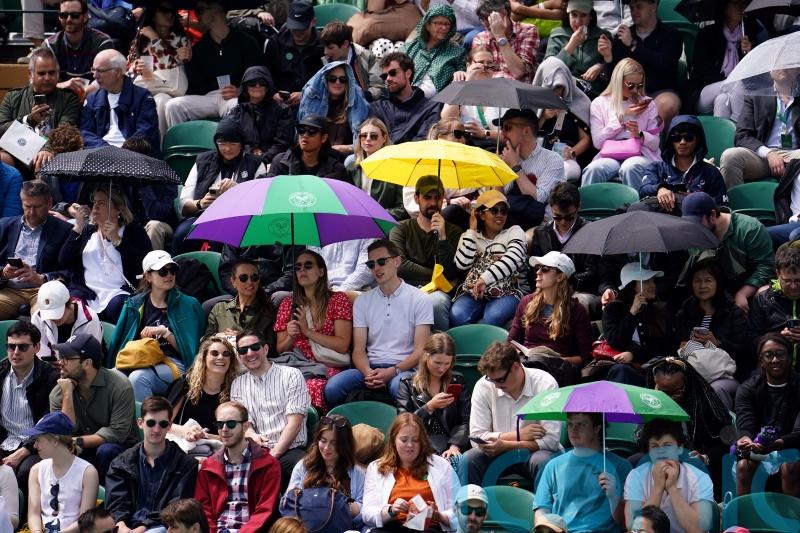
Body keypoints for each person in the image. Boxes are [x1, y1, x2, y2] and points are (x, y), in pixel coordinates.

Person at [323, 239, 433, 407]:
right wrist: (368, 372)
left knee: (401, 386)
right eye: (371, 264)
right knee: (333, 388)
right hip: (370, 368)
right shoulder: (363, 301)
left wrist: (392, 371)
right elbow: (358, 350)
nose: (376, 268)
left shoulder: (420, 298)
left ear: (397, 261)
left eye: (382, 261)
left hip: (403, 369)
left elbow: (421, 351)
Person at [460, 341, 561, 487]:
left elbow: (551, 442)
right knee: (468, 460)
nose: (496, 385)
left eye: (500, 379)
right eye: (491, 379)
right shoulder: (483, 385)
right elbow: (476, 438)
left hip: (533, 454)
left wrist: (507, 445)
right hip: (496, 453)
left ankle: (544, 509)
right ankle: (470, 508)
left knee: (544, 461)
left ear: (516, 367)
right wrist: (518, 435)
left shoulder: (545, 383)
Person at [109, 250, 204, 401]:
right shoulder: (134, 304)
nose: (169, 275)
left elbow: (191, 353)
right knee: (113, 376)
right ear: (148, 276)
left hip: (174, 362)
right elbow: (119, 342)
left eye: (173, 270)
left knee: (138, 378)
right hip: (140, 358)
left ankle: (148, 423)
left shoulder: (189, 305)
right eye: (162, 271)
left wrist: (166, 333)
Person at [49, 333, 140, 482]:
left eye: (67, 358)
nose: (60, 362)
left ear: (87, 363)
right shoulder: (59, 392)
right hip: (79, 449)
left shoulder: (120, 386)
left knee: (106, 450)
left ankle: (107, 500)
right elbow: (62, 434)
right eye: (61, 357)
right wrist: (67, 394)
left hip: (120, 449)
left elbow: (117, 433)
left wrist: (77, 441)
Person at [59, 185, 152, 323]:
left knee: (118, 305)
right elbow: (64, 260)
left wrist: (117, 240)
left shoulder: (133, 231)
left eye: (101, 203)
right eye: (94, 202)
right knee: (68, 308)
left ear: (118, 208)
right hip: (87, 293)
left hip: (117, 293)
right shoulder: (87, 230)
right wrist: (78, 226)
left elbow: (144, 265)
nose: (95, 207)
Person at [105, 396, 199, 533]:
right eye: (150, 423)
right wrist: (121, 525)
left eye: (163, 424)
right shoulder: (120, 463)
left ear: (170, 426)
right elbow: (116, 503)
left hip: (164, 527)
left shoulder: (185, 464)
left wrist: (142, 528)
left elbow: (176, 507)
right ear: (140, 423)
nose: (156, 429)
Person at [274, 250, 353, 412]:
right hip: (297, 364)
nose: (302, 270)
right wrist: (291, 336)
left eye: (308, 266)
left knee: (311, 385)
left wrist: (308, 332)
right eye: (298, 267)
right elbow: (281, 349)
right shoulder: (288, 304)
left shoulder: (338, 300)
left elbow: (343, 345)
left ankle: (315, 429)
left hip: (327, 364)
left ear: (321, 271)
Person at [232, 330, 311, 489]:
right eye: (243, 350)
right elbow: (244, 424)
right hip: (256, 451)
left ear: (266, 349)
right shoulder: (237, 384)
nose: (249, 353)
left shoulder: (291, 375)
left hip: (289, 450)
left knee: (307, 470)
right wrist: (252, 435)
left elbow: (295, 423)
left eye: (255, 347)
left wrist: (274, 454)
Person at [164, 0, 261, 128]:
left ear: (216, 10)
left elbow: (257, 75)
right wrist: (187, 62)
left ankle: (238, 147)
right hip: (209, 97)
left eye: (200, 11)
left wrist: (241, 91)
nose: (196, 16)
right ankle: (184, 146)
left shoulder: (246, 42)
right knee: (173, 106)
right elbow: (196, 88)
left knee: (237, 105)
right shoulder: (198, 48)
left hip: (236, 96)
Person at [174, 120, 265, 255]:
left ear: (242, 143)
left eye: (233, 143)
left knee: (220, 237)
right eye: (222, 143)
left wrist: (239, 189)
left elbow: (262, 203)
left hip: (239, 219)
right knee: (181, 235)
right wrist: (200, 203)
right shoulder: (203, 161)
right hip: (205, 216)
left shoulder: (256, 163)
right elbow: (183, 204)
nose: (227, 149)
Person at [645, 356, 734, 494]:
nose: (669, 398)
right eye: (663, 393)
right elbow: (643, 445)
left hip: (701, 468)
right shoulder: (651, 407)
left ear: (687, 385)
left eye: (676, 392)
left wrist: (705, 457)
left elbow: (727, 446)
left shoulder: (708, 407)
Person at [534, 412, 631, 533]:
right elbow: (542, 512)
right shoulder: (553, 465)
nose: (574, 430)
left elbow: (626, 523)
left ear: (597, 428)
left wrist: (613, 496)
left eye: (581, 424)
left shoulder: (621, 466)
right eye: (570, 424)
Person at [362, 413, 459, 532]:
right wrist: (391, 510)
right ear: (393, 440)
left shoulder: (441, 465)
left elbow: (459, 510)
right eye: (404, 440)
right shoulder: (376, 468)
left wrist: (437, 515)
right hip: (392, 527)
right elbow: (367, 513)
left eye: (415, 440)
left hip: (429, 528)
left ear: (422, 442)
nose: (409, 445)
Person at [389, 175, 463, 332]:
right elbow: (399, 265)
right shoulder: (400, 229)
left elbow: (452, 272)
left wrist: (442, 238)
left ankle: (443, 350)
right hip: (406, 287)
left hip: (438, 293)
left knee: (435, 303)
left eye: (437, 197)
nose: (432, 203)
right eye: (427, 197)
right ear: (416, 198)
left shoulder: (454, 232)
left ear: (443, 198)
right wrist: (437, 277)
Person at [681, 191, 774, 314]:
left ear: (712, 216)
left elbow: (766, 267)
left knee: (763, 293)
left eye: (697, 223)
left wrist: (743, 293)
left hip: (748, 288)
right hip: (717, 292)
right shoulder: (695, 237)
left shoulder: (750, 229)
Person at [195, 401, 281, 532]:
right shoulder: (208, 466)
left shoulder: (268, 464)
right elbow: (203, 508)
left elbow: (265, 510)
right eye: (219, 424)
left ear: (245, 426)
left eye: (231, 424)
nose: (224, 429)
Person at [508, 251, 593, 382]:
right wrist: (520, 355)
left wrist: (554, 360)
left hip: (559, 370)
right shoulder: (526, 302)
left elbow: (585, 357)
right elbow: (511, 342)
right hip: (527, 364)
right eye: (538, 268)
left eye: (545, 269)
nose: (538, 272)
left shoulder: (577, 310)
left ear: (560, 277)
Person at [734, 333, 800, 497]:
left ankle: (792, 521)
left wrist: (777, 444)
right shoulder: (747, 389)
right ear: (761, 360)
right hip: (759, 449)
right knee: (744, 466)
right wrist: (746, 440)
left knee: (790, 466)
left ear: (790, 357)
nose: (775, 360)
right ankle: (744, 519)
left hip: (793, 447)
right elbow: (745, 424)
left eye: (780, 354)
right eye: (768, 355)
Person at [674, 260, 746, 409]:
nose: (702, 286)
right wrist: (682, 346)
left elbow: (744, 351)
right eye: (697, 281)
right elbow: (672, 346)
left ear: (718, 282)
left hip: (724, 375)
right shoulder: (684, 312)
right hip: (691, 374)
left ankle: (722, 432)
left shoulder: (733, 312)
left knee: (716, 391)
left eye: (708, 280)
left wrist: (717, 342)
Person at [581, 58, 661, 191]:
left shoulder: (648, 104)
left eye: (639, 85)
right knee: (593, 169)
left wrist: (639, 134)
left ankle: (638, 209)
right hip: (610, 154)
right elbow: (597, 142)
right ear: (618, 81)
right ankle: (587, 210)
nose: (635, 90)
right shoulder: (599, 103)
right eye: (631, 85)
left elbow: (655, 143)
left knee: (631, 167)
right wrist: (621, 118)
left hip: (641, 154)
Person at [601, 0, 682, 127]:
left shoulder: (671, 35)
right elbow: (612, 78)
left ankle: (660, 145)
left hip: (659, 91)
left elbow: (665, 66)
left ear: (653, 6)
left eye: (639, 7)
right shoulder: (622, 36)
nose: (634, 12)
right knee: (602, 103)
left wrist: (633, 45)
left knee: (668, 105)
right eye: (632, 8)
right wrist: (608, 57)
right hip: (629, 93)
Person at [451, 190, 526, 328]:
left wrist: (484, 279)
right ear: (481, 214)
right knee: (458, 315)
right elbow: (462, 264)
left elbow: (515, 258)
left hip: (507, 292)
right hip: (473, 293)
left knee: (493, 317)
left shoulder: (514, 231)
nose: (500, 215)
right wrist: (472, 230)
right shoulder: (469, 236)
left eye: (503, 211)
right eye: (494, 210)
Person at [624, 420, 715, 533]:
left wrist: (672, 489)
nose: (661, 451)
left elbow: (699, 529)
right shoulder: (636, 476)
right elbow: (631, 526)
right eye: (655, 446)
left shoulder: (700, 478)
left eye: (667, 445)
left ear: (680, 448)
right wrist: (658, 488)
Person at [0, 321, 59, 492]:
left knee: (26, 472)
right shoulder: (1, 372)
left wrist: (24, 451)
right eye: (11, 347)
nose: (15, 353)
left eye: (23, 347)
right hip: (4, 439)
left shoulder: (50, 378)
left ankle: (24, 515)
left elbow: (50, 422)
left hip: (36, 445)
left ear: (37, 347)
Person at [0, 180, 72, 320]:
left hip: (44, 290)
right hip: (10, 290)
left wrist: (42, 278)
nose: (31, 212)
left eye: (37, 207)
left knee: (44, 318)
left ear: (49, 203)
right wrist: (3, 273)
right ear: (22, 203)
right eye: (27, 206)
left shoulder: (64, 230)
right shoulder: (4, 226)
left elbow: (72, 271)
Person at [0, 48, 81, 171]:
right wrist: (30, 120)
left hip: (53, 154)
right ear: (30, 74)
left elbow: (65, 128)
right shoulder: (13, 97)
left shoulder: (69, 99)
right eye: (42, 73)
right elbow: (1, 126)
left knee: (43, 160)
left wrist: (47, 149)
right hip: (17, 152)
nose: (47, 78)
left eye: (52, 73)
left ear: (58, 74)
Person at [719, 68, 800, 190]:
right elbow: (742, 136)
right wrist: (769, 153)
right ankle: (738, 205)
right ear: (770, 71)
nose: (782, 68)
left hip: (795, 155)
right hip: (763, 157)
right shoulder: (756, 96)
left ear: (797, 69)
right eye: (778, 65)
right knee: (730, 157)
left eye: (787, 64)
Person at [396, 333, 471, 457]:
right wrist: (429, 407)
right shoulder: (407, 384)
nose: (442, 369)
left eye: (447, 364)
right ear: (426, 356)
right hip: (418, 443)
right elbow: (403, 424)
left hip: (450, 443)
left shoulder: (458, 381)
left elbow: (465, 420)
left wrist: (455, 446)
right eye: (437, 363)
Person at [530, 182, 600, 317]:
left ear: (578, 207)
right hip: (547, 288)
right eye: (557, 216)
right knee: (529, 303)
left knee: (571, 305)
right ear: (551, 209)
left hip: (580, 290)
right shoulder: (541, 232)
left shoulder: (591, 232)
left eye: (569, 217)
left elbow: (592, 271)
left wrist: (565, 283)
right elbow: (534, 268)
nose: (563, 222)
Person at [287, 414, 365, 530]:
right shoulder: (303, 467)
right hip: (306, 528)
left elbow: (363, 511)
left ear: (344, 444)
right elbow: (288, 503)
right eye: (323, 441)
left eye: (334, 443)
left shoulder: (357, 473)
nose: (327, 447)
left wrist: (340, 505)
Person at [602, 263, 675, 385]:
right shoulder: (613, 309)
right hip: (625, 369)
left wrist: (634, 353)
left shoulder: (659, 310)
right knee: (621, 371)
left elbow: (666, 346)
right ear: (631, 286)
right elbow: (615, 341)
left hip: (654, 369)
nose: (652, 285)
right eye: (646, 281)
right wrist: (632, 313)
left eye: (653, 281)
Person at [690, 0, 766, 118]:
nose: (741, 7)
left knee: (722, 100)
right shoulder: (708, 34)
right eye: (736, 3)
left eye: (744, 3)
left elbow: (754, 74)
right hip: (705, 92)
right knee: (736, 83)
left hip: (733, 94)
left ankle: (723, 135)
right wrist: (727, 80)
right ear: (724, 8)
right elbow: (702, 69)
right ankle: (739, 125)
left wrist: (748, 53)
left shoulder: (749, 37)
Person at [25, 412, 99, 533]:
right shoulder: (36, 470)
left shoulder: (88, 473)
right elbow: (33, 514)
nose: (34, 445)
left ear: (55, 441)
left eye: (38, 440)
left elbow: (84, 522)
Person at [165, 336, 238, 456]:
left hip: (216, 452)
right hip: (181, 446)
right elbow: (163, 423)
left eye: (226, 354)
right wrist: (186, 431)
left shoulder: (234, 390)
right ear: (204, 358)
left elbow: (234, 436)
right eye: (214, 353)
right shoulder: (185, 384)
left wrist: (203, 435)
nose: (221, 357)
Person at [496, 108, 566, 230]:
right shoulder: (505, 158)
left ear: (526, 131)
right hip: (505, 222)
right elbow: (497, 200)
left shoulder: (552, 159)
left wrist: (515, 166)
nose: (502, 133)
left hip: (538, 227)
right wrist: (498, 169)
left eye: (507, 127)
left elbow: (538, 198)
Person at [80, 49, 159, 153]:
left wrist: (122, 153)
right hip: (100, 154)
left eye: (100, 71)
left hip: (133, 157)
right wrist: (108, 150)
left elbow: (146, 132)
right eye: (93, 70)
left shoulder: (143, 97)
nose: (95, 75)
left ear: (117, 72)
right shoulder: (92, 99)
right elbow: (85, 132)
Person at [638, 116, 727, 208]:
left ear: (698, 140)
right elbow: (643, 190)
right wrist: (660, 189)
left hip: (696, 220)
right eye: (676, 138)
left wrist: (700, 200)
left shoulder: (711, 173)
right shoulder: (656, 168)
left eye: (688, 137)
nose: (682, 142)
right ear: (670, 141)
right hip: (661, 220)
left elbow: (723, 207)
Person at [532, 57, 595, 181]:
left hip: (566, 158)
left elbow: (586, 139)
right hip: (538, 153)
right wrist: (543, 117)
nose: (556, 94)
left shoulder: (579, 103)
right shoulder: (533, 102)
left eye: (559, 88)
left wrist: (572, 152)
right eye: (551, 89)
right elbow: (526, 135)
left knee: (567, 171)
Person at [368, 52, 443, 144]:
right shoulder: (377, 108)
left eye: (393, 73)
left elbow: (423, 142)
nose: (388, 79)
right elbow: (373, 141)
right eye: (384, 76)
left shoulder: (431, 108)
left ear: (408, 73)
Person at [297, 61, 369, 155]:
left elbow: (366, 142)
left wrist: (346, 148)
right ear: (325, 80)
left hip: (346, 158)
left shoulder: (358, 103)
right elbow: (302, 138)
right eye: (332, 79)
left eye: (343, 79)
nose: (337, 82)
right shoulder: (312, 101)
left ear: (348, 83)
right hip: (316, 156)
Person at [227, 66, 295, 164]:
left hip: (274, 162)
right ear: (246, 87)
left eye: (262, 83)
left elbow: (282, 143)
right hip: (244, 161)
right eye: (252, 83)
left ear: (268, 86)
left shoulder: (283, 111)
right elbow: (231, 139)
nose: (257, 86)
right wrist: (250, 155)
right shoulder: (236, 112)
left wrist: (263, 158)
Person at [748, 243, 800, 370]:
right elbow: (751, 342)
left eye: (798, 281)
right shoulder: (763, 300)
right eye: (787, 281)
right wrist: (777, 339)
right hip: (771, 371)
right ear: (777, 274)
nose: (793, 287)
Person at [263, 0, 324, 109]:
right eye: (294, 27)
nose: (297, 32)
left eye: (302, 27)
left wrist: (306, 95)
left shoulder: (324, 45)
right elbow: (265, 76)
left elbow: (331, 81)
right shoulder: (274, 43)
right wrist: (273, 94)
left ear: (313, 22)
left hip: (313, 104)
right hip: (279, 106)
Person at [544, 0, 611, 98]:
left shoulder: (603, 36)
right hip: (563, 93)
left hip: (594, 95)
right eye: (574, 15)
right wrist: (571, 45)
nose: (578, 21)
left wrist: (601, 66)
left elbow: (616, 72)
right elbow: (548, 72)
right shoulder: (557, 35)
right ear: (568, 15)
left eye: (583, 15)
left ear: (591, 16)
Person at [206, 259, 277, 349]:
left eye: (254, 277)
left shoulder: (268, 311)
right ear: (233, 282)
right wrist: (221, 336)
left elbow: (272, 348)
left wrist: (243, 337)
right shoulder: (219, 308)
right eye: (243, 278)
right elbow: (206, 341)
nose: (250, 282)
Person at [46, 0, 114, 93]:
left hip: (95, 99)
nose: (69, 19)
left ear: (85, 17)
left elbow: (109, 77)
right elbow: (39, 80)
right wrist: (62, 85)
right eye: (64, 15)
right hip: (60, 98)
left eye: (75, 15)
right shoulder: (50, 45)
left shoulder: (102, 42)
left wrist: (83, 92)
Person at [347, 118, 407, 221]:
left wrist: (380, 216)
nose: (368, 139)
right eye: (364, 136)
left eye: (373, 136)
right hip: (356, 221)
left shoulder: (396, 169)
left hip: (384, 224)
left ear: (384, 138)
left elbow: (402, 208)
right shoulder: (352, 168)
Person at [440, 47, 503, 146]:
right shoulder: (459, 84)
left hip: (494, 149)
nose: (485, 66)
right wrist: (467, 82)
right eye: (480, 62)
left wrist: (484, 134)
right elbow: (447, 118)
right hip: (465, 147)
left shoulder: (503, 92)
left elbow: (513, 135)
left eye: (489, 63)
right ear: (469, 65)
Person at [31, 280, 103, 361]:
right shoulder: (38, 317)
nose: (53, 319)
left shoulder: (90, 319)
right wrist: (49, 365)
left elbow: (91, 357)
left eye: (57, 313)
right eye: (48, 314)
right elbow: (40, 352)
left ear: (69, 303)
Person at [405, 4, 465, 97]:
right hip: (405, 97)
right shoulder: (410, 48)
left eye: (447, 24)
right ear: (427, 25)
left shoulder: (457, 52)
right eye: (439, 23)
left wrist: (461, 73)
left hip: (434, 103)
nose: (444, 28)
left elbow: (463, 73)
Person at [472, 0, 539, 83]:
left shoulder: (528, 31)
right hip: (490, 90)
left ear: (505, 14)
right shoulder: (480, 38)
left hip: (519, 91)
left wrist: (500, 36)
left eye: (489, 18)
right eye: (482, 19)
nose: (486, 23)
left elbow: (518, 72)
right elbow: (478, 74)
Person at [267, 115, 349, 180]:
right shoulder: (281, 162)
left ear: (324, 138)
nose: (305, 135)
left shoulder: (336, 169)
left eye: (312, 132)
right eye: (301, 130)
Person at [320, 21, 385, 103]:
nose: (325, 52)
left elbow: (379, 87)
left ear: (345, 44)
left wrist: (364, 96)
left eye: (330, 48)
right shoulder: (324, 60)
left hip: (363, 104)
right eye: (324, 47)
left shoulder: (365, 57)